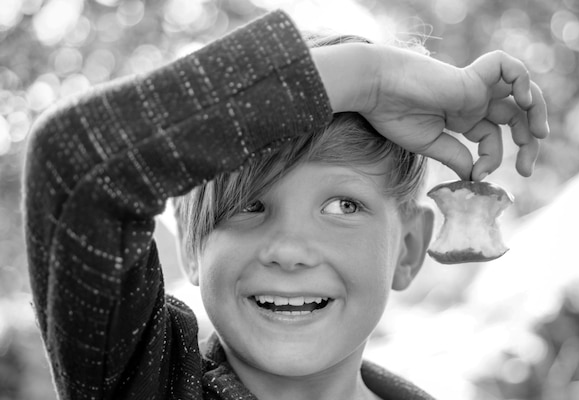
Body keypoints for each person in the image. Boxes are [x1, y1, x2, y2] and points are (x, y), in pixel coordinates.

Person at [23, 9, 548, 400]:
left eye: (343, 206)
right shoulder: (148, 381)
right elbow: (76, 165)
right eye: (248, 206)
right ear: (190, 247)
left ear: (409, 249)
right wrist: (369, 78)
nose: (289, 250)